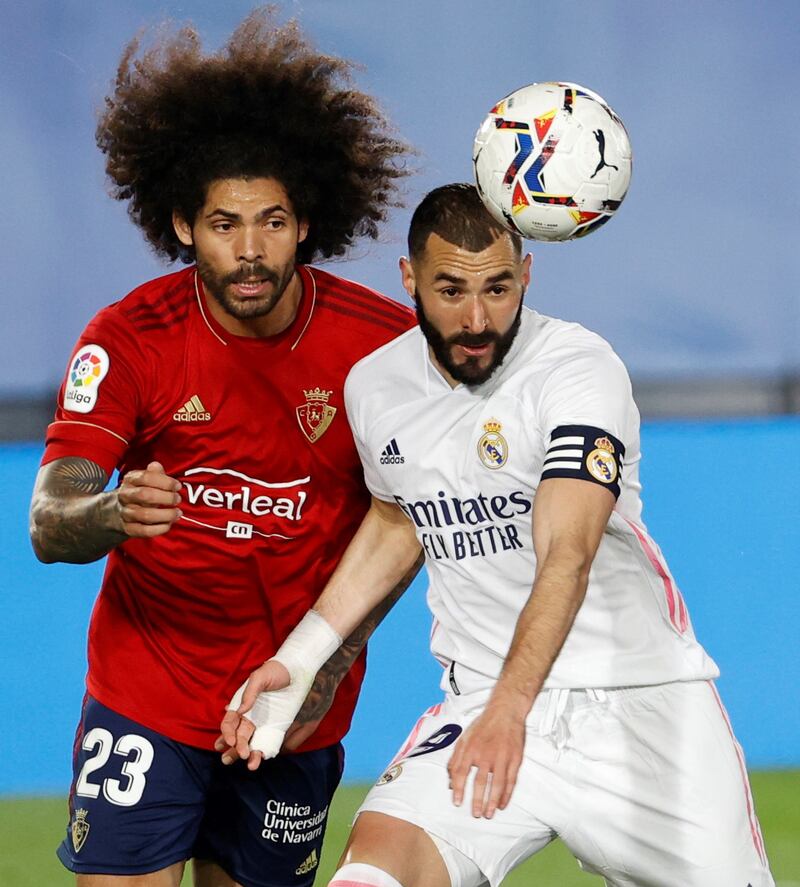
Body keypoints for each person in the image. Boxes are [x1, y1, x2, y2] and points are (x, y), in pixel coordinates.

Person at [223, 184, 775, 887]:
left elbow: (566, 555)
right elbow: (400, 520)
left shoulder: (576, 369)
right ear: (409, 278)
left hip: (639, 704)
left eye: (499, 288)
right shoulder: (376, 387)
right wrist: (308, 658)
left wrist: (512, 709)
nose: (477, 318)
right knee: (377, 867)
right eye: (450, 290)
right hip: (480, 696)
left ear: (527, 276)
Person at [28, 10, 418, 887]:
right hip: (146, 693)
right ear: (180, 224)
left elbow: (408, 522)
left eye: (272, 221)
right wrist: (109, 512)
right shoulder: (129, 340)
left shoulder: (383, 352)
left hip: (293, 704)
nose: (249, 251)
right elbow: (50, 521)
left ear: (307, 220)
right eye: (223, 223)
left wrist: (328, 663)